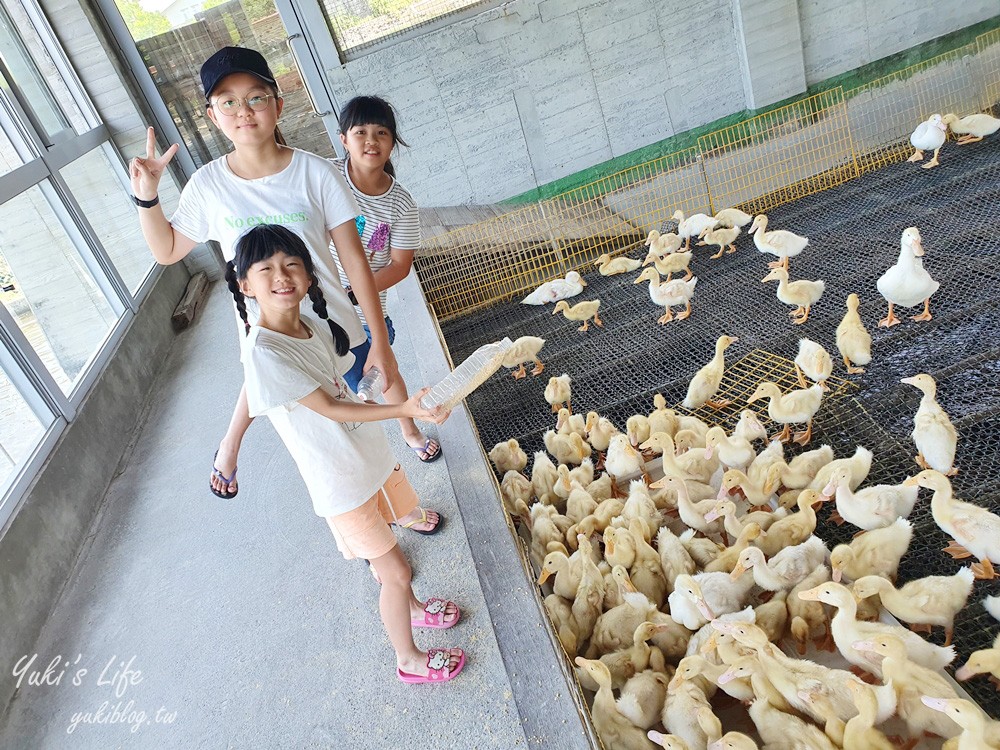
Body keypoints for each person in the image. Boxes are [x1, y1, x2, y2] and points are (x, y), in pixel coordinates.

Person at [128, 47, 439, 532]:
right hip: (275, 347)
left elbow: (356, 264)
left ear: (278, 104)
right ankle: (370, 541)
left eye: (255, 97)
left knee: (368, 436)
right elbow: (167, 249)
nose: (244, 110)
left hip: (339, 331)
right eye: (227, 102)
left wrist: (381, 341)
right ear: (212, 116)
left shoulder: (317, 171)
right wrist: (147, 195)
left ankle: (402, 508)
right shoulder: (208, 186)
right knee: (330, 453)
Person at [227, 223, 464, 683]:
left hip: (370, 461)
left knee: (394, 558)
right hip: (342, 485)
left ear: (310, 275)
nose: (282, 275)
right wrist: (404, 407)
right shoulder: (263, 354)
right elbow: (333, 409)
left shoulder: (311, 326)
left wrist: (388, 391)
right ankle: (408, 660)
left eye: (292, 264)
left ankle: (412, 608)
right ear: (244, 283)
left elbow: (347, 388)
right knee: (395, 571)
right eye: (266, 268)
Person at [333, 95, 440, 464]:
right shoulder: (326, 178)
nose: (370, 141)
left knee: (384, 371)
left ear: (393, 142)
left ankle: (409, 428)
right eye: (359, 132)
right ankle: (369, 460)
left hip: (365, 307)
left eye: (381, 132)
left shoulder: (400, 204)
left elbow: (399, 265)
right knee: (339, 388)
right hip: (316, 302)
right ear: (343, 139)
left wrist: (355, 291)